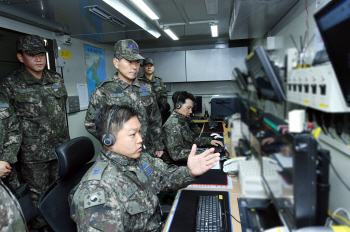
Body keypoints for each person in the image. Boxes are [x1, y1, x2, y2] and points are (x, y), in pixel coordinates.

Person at [70, 105, 220, 231]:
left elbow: (164, 177)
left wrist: (189, 172)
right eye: (132, 134)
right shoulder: (97, 190)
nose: (140, 139)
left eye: (140, 132)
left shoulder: (140, 158)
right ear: (109, 140)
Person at [0, 34, 70, 230]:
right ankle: (42, 228)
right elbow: (7, 122)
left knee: (62, 190)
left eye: (41, 54)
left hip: (60, 150)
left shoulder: (55, 78)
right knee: (38, 197)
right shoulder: (10, 84)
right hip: (33, 156)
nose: (39, 59)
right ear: (21, 57)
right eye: (32, 55)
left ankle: (61, 225)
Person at [85, 39, 164, 158]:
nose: (134, 66)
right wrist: (112, 141)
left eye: (137, 62)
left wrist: (158, 144)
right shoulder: (103, 91)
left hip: (146, 151)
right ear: (116, 63)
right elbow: (90, 123)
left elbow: (155, 119)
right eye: (129, 61)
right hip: (119, 154)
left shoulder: (146, 88)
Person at [162, 91, 224, 164]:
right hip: (177, 164)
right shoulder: (173, 125)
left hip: (189, 154)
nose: (191, 111)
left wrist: (209, 141)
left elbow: (191, 140)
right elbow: (177, 154)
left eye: (191, 108)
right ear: (178, 105)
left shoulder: (183, 119)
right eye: (188, 108)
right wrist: (203, 153)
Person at [0, 90, 22, 189]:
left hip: (7, 171)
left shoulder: (2, 98)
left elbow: (14, 129)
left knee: (16, 202)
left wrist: (6, 159)